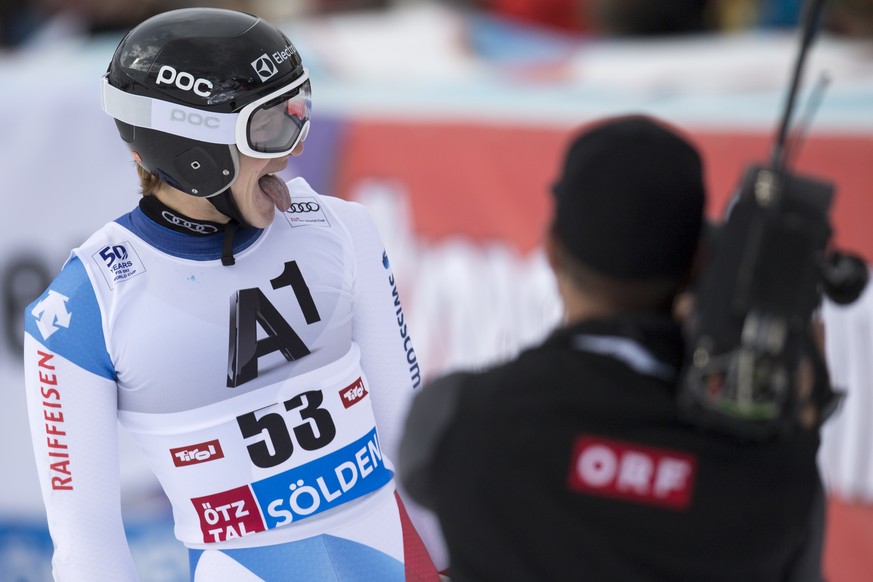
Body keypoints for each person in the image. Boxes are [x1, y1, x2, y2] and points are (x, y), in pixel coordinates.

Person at [23, 7, 445, 581]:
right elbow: (87, 544)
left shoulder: (344, 230)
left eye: (301, 113)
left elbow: (410, 433)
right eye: (270, 126)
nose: (293, 148)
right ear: (190, 146)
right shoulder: (81, 310)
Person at [398, 115, 830, 581]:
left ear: (551, 248)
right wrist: (797, 432)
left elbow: (422, 475)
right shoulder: (766, 474)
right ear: (701, 259)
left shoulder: (457, 418)